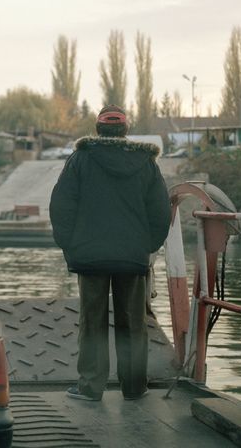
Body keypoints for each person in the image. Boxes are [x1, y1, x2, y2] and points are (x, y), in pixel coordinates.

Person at [49, 105, 171, 402]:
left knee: (93, 322)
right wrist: (148, 246)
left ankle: (91, 387)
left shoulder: (80, 159)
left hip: (90, 257)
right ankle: (134, 387)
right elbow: (160, 210)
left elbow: (61, 205)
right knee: (133, 323)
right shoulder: (145, 163)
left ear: (98, 129)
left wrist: (70, 245)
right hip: (132, 257)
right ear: (125, 130)